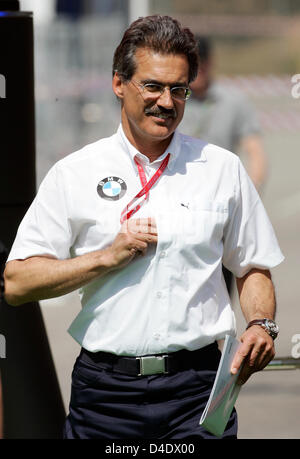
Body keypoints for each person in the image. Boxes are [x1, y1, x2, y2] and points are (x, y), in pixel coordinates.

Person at [4, 15, 283, 440]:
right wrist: (105, 258)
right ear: (119, 83)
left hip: (199, 389)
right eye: (152, 86)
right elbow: (18, 281)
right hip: (105, 395)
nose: (167, 102)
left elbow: (253, 266)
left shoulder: (222, 169)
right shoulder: (75, 173)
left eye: (178, 89)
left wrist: (261, 324)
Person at [180, 36, 268, 295]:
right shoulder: (172, 99)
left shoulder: (233, 101)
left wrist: (249, 198)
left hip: (220, 209)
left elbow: (256, 151)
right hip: (180, 205)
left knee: (219, 293)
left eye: (201, 68)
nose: (197, 75)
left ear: (210, 64)